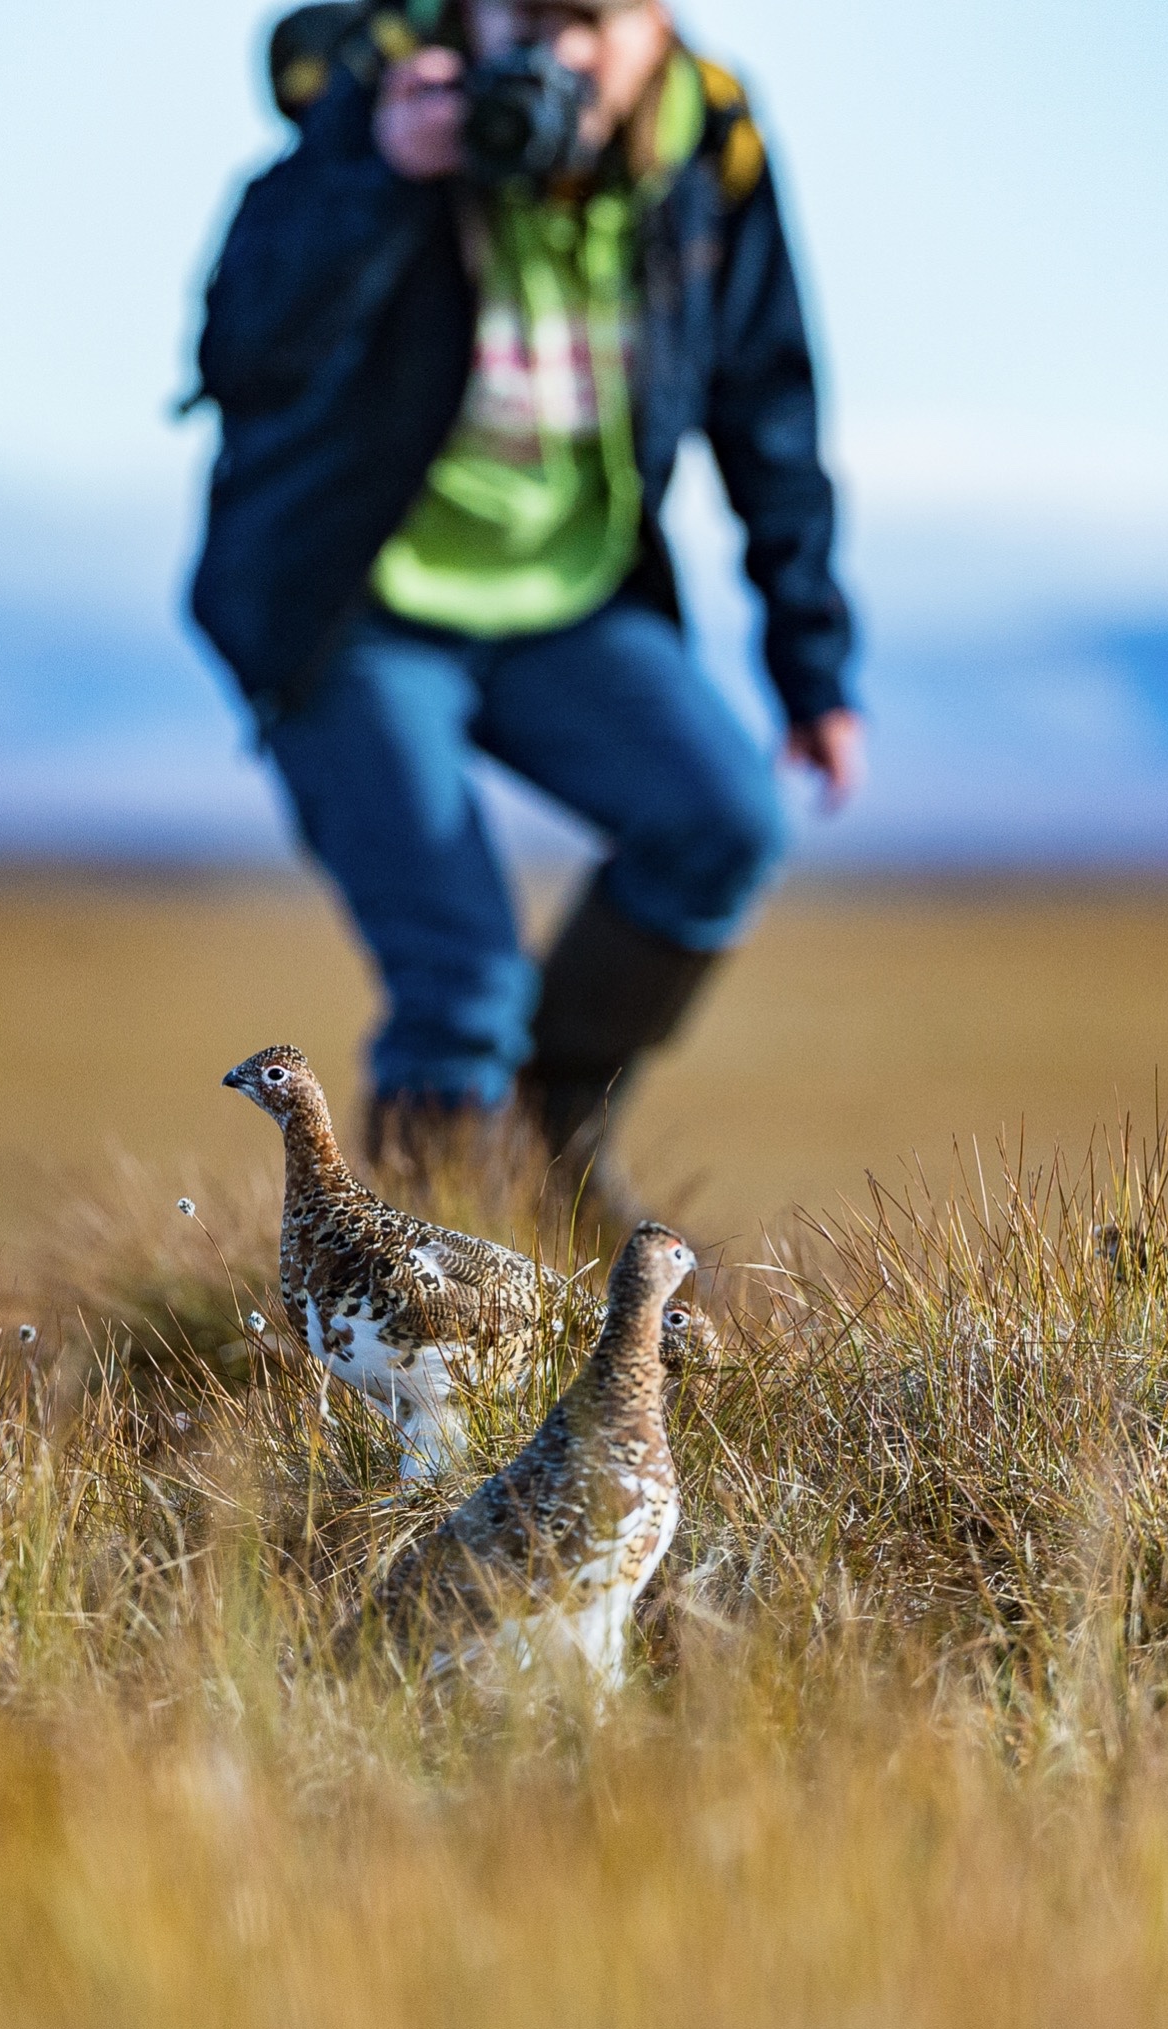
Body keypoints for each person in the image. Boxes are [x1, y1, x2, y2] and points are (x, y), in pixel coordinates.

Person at [187, 0, 863, 1222]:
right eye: (525, 16)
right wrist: (382, 176)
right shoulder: (380, 97)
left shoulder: (710, 142)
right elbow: (244, 352)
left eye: (590, 19)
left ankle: (546, 1150)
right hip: (351, 602)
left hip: (566, 589)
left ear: (658, 23)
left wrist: (809, 660)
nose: (556, 53)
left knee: (721, 822)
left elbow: (768, 403)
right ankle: (411, 1326)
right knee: (460, 972)